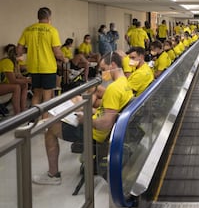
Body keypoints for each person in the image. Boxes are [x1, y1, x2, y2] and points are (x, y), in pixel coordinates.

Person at [32, 51, 133, 185]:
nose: (102, 74)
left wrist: (85, 119)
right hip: (101, 127)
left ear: (113, 64)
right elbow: (108, 113)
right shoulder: (124, 83)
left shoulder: (113, 89)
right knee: (65, 115)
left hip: (94, 133)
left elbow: (105, 124)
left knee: (50, 128)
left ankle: (53, 175)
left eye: (103, 69)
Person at [17, 7, 66, 117]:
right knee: (47, 97)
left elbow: (19, 50)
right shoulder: (52, 30)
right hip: (48, 67)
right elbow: (57, 52)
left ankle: (35, 119)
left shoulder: (28, 29)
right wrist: (64, 59)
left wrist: (30, 49)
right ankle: (44, 122)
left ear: (38, 17)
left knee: (37, 94)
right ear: (49, 17)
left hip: (33, 67)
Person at [0, 44, 31, 114]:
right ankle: (17, 113)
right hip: (2, 84)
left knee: (24, 84)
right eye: (21, 54)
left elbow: (19, 76)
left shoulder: (15, 63)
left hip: (4, 84)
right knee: (16, 87)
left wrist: (27, 79)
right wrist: (27, 80)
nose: (22, 56)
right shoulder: (7, 62)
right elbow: (13, 80)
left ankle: (23, 109)